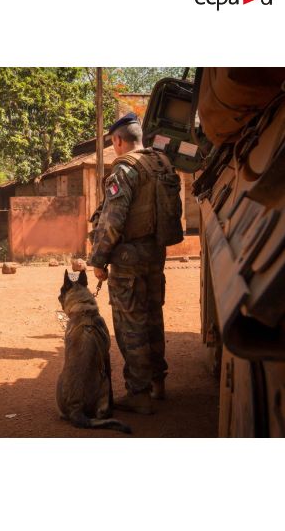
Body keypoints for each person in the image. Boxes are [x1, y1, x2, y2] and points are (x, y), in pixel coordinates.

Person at [89, 112, 181, 415]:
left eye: (113, 142)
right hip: (156, 253)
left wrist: (99, 258)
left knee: (131, 324)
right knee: (153, 316)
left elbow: (113, 220)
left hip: (128, 257)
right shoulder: (161, 162)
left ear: (117, 140)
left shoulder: (125, 168)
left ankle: (138, 393)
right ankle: (158, 383)